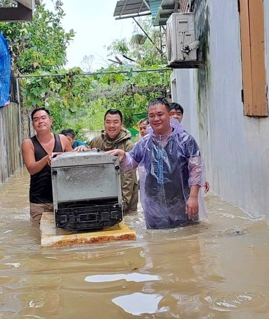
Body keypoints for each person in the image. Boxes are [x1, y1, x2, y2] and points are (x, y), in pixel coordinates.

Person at [109, 98, 205, 229]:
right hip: (153, 205)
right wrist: (123, 156)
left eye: (160, 114)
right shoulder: (145, 143)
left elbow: (196, 170)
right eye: (151, 116)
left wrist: (193, 197)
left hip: (182, 202)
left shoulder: (185, 140)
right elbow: (130, 164)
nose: (155, 119)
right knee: (156, 241)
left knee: (188, 239)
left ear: (169, 115)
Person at [22, 107, 74, 223]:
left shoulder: (62, 139)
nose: (40, 121)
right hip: (39, 202)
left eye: (43, 118)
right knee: (38, 236)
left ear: (51, 121)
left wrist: (81, 150)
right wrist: (47, 158)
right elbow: (31, 169)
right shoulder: (28, 143)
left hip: (63, 198)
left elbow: (73, 164)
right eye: (36, 120)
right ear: (33, 125)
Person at [87, 109, 138, 213]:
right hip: (101, 197)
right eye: (108, 122)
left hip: (125, 201)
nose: (111, 126)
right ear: (104, 123)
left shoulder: (128, 146)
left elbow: (128, 178)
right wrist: (82, 150)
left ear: (121, 124)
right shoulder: (96, 141)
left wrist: (122, 204)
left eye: (115, 122)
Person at [167, 102, 210, 193]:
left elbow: (195, 165)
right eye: (172, 114)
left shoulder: (186, 139)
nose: (175, 116)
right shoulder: (158, 138)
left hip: (184, 185)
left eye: (178, 114)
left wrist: (201, 180)